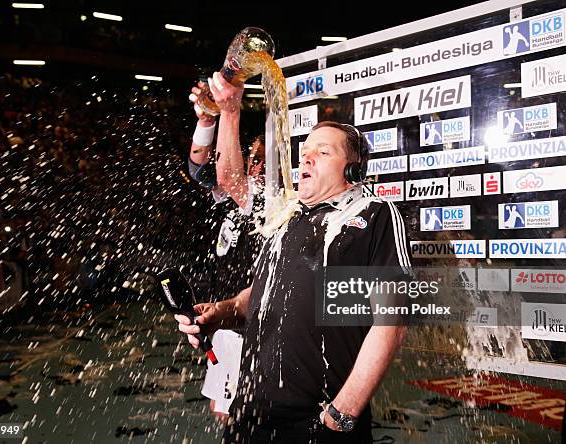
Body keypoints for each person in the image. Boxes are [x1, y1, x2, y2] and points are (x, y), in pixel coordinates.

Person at [176, 120, 411, 443]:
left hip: (318, 420)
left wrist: (345, 410)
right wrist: (221, 312)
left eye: (323, 152)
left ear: (354, 171)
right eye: (306, 152)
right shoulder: (285, 215)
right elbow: (261, 292)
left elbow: (393, 320)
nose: (308, 158)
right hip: (250, 414)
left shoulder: (372, 215)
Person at [187, 76, 265, 422]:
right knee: (222, 412)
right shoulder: (234, 197)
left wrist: (228, 111)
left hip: (256, 324)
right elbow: (200, 169)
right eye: (252, 158)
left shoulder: (271, 201)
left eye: (263, 159)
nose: (256, 165)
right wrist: (206, 122)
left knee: (246, 417)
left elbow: (227, 175)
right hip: (225, 320)